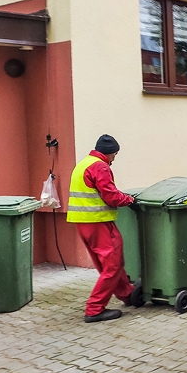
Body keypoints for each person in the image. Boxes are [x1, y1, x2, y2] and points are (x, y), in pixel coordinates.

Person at [67, 134, 142, 323]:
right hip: (98, 221)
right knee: (112, 264)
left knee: (109, 263)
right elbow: (110, 196)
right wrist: (130, 200)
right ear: (110, 153)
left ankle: (127, 294)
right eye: (115, 155)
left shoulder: (84, 163)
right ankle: (94, 309)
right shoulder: (100, 166)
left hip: (84, 222)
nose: (114, 159)